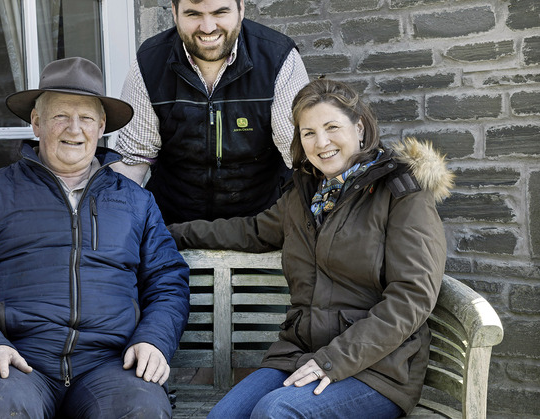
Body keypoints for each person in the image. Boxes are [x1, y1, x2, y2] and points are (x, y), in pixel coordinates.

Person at [0, 57, 191, 418]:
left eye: (87, 118)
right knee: (5, 410)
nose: (74, 129)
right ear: (36, 123)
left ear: (102, 126)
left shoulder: (135, 201)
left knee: (144, 408)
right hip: (18, 363)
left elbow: (168, 282)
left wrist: (153, 339)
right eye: (60, 115)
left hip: (110, 366)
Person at [168, 79, 454, 418]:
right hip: (300, 354)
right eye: (308, 133)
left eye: (332, 127)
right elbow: (250, 231)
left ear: (359, 127)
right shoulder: (304, 196)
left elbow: (412, 297)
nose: (321, 142)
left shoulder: (402, 195)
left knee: (276, 412)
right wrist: (167, 233)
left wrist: (331, 361)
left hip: (379, 369)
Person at [112, 0, 310, 224]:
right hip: (172, 225)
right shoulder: (148, 63)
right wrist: (117, 221)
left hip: (261, 222)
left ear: (241, 8)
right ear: (175, 13)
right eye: (193, 14)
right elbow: (132, 161)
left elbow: (299, 158)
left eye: (220, 12)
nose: (207, 27)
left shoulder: (278, 59)